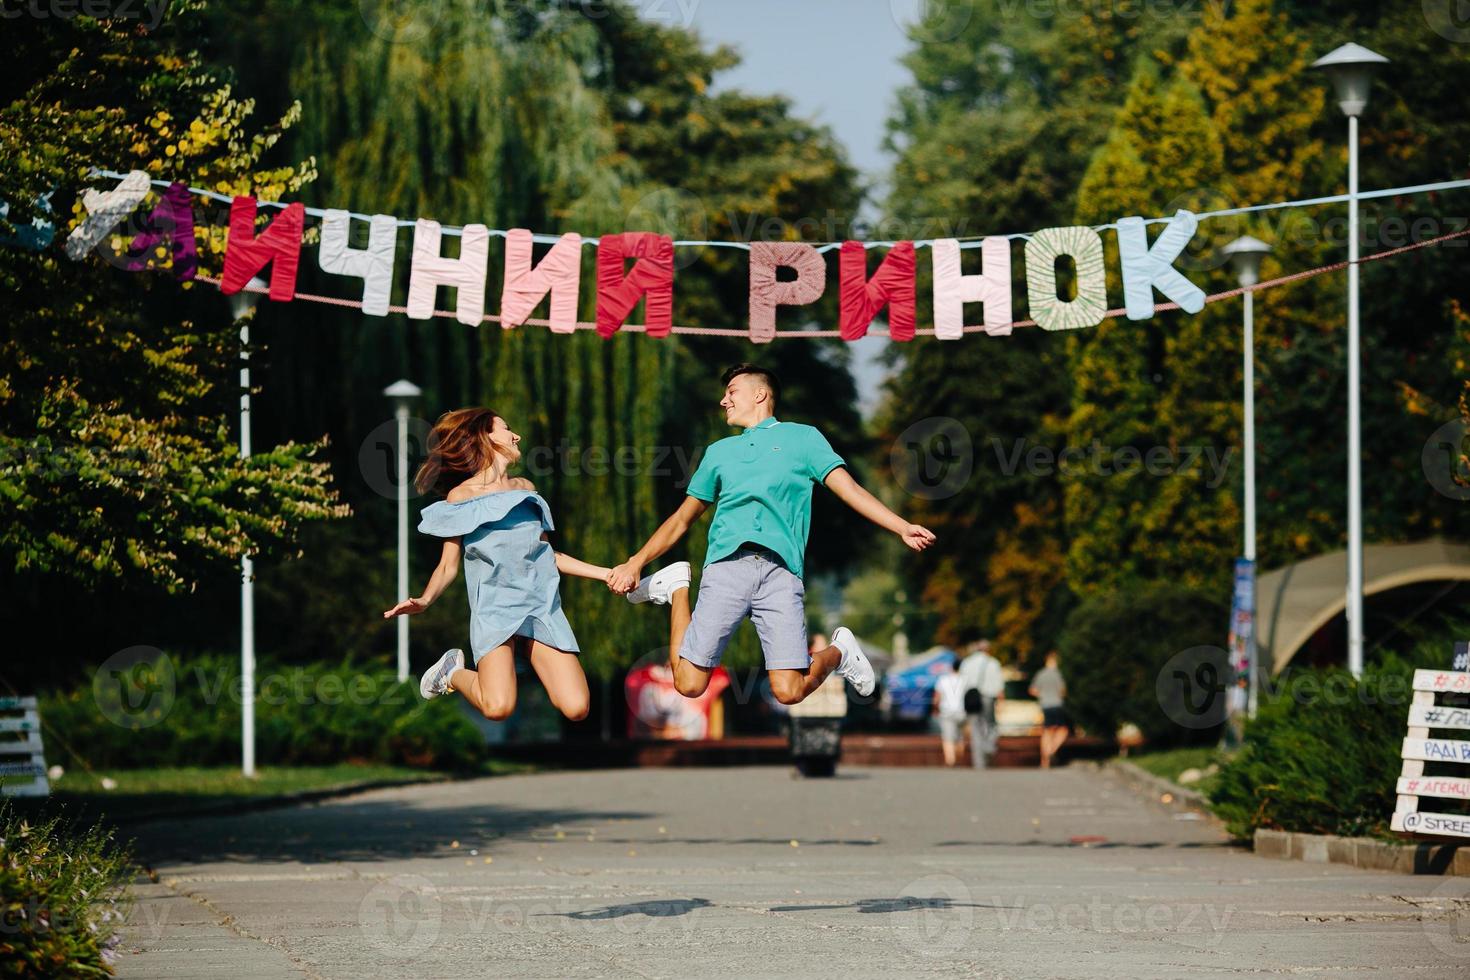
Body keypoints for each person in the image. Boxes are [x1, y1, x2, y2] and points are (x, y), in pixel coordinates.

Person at [607, 363, 936, 707]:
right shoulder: (719, 453)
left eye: (732, 392)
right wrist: (636, 562)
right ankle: (676, 587)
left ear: (760, 394)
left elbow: (849, 490)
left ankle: (840, 651)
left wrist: (901, 526)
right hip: (726, 570)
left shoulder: (803, 438)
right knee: (688, 684)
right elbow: (680, 519)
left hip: (780, 574)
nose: (724, 401)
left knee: (789, 691)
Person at [382, 408, 652, 723]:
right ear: (485, 436)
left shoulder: (525, 490)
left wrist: (607, 573)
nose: (516, 435)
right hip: (496, 611)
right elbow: (447, 566)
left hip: (540, 608)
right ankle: (452, 673)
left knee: (577, 707)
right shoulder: (461, 496)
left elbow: (549, 555)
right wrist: (425, 600)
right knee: (498, 708)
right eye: (507, 428)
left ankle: (497, 661)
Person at [957, 640, 1005, 769]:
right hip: (988, 697)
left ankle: (979, 763)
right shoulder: (993, 663)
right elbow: (999, 686)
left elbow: (962, 683)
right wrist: (1001, 702)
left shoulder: (967, 662)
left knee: (975, 730)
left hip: (972, 698)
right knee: (990, 725)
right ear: (987, 649)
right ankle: (988, 747)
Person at [1029, 651, 1070, 769]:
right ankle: (1051, 751)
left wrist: (1042, 695)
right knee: (1063, 730)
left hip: (1045, 704)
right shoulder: (1059, 674)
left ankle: (1044, 761)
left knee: (1047, 731)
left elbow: (1032, 690)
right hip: (1057, 704)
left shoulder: (1041, 674)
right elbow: (1063, 691)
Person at [932, 660, 968, 767]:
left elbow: (937, 697)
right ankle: (959, 757)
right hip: (962, 711)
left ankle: (950, 760)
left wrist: (935, 709)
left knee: (948, 737)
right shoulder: (965, 679)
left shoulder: (943, 679)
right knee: (960, 737)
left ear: (951, 667)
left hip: (946, 711)